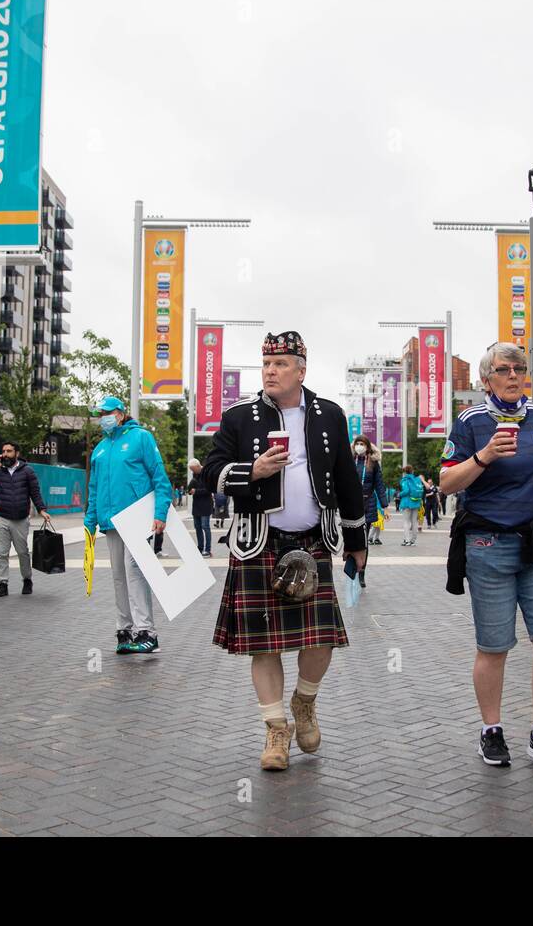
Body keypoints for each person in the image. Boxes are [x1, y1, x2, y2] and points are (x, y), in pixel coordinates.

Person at [202, 331, 367, 772]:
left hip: (314, 542)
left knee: (322, 638)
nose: (270, 371)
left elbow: (348, 482)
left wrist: (357, 542)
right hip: (259, 543)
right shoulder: (240, 416)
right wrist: (250, 471)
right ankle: (275, 729)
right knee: (264, 644)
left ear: (300, 369)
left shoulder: (329, 414)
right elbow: (211, 473)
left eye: (280, 364)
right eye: (266, 364)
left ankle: (304, 701)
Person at [442, 342, 533, 772]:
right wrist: (483, 457)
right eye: (505, 369)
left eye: (520, 368)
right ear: (487, 379)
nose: (514, 375)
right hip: (489, 545)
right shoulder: (470, 422)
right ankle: (491, 729)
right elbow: (446, 482)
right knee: (494, 646)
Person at [83, 397, 172, 655]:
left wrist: (160, 513)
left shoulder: (141, 438)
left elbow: (160, 477)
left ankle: (147, 632)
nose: (103, 418)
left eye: (107, 413)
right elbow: (94, 488)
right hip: (110, 523)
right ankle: (125, 630)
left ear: (121, 414)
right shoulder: (99, 448)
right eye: (99, 414)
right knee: (118, 576)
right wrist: (90, 522)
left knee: (135, 571)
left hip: (138, 518)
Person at [0, 442, 52, 597]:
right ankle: (2, 584)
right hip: (2, 518)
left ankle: (27, 580)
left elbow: (35, 492)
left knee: (22, 552)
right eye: (3, 451)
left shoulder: (27, 471)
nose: (5, 454)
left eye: (9, 451)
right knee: (2, 553)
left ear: (16, 453)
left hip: (20, 519)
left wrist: (42, 510)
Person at [352, 435, 386, 582]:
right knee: (353, 539)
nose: (360, 446)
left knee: (364, 540)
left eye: (362, 444)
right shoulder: (349, 461)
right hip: (352, 504)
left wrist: (385, 506)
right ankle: (352, 567)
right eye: (357, 443)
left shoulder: (373, 463)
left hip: (368, 503)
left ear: (367, 446)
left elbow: (379, 484)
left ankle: (362, 572)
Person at [187, 459, 213, 557]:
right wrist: (189, 491)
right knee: (197, 527)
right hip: (197, 506)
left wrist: (196, 491)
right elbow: (190, 489)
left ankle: (208, 549)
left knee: (205, 527)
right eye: (191, 470)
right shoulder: (195, 475)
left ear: (198, 466)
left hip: (206, 505)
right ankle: (200, 547)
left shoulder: (207, 473)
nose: (193, 472)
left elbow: (209, 489)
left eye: (193, 469)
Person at [398, 465, 422, 546]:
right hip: (416, 502)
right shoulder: (417, 479)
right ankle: (413, 540)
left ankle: (407, 540)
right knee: (414, 521)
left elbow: (406, 491)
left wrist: (399, 494)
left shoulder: (405, 480)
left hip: (407, 502)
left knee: (406, 522)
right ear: (412, 471)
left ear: (405, 472)